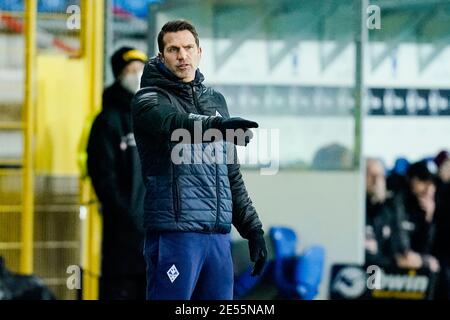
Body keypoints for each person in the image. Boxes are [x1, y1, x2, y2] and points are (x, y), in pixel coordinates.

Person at [132, 20, 267, 300]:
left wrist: (252, 228)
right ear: (161, 56)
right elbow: (172, 123)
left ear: (200, 52)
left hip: (218, 237)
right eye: (173, 49)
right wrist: (217, 127)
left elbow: (230, 174)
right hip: (175, 232)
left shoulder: (215, 101)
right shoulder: (148, 99)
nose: (182, 55)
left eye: (188, 47)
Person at [87, 47, 148, 300]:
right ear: (118, 75)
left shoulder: (152, 116)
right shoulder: (108, 121)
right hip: (123, 237)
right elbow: (104, 178)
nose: (137, 76)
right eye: (130, 71)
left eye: (140, 70)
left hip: (156, 233)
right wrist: (128, 217)